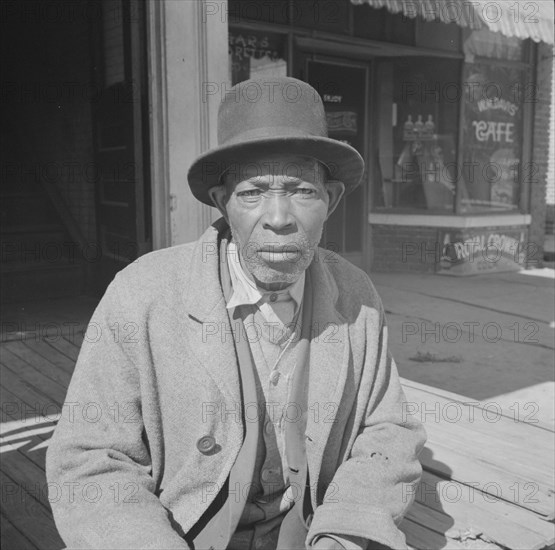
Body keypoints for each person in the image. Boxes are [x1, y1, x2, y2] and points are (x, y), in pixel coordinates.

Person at [46, 76, 426, 550]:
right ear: (222, 202)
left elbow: (389, 432)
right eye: (252, 193)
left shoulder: (356, 294)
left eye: (302, 190)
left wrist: (345, 530)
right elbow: (89, 458)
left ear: (331, 200)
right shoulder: (143, 293)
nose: (280, 217)